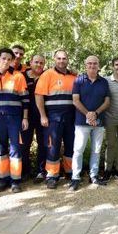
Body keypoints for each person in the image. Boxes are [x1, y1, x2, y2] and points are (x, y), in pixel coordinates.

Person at [0, 47, 29, 193]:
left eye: (9, 59)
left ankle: (15, 181)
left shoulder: (18, 76)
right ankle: (3, 179)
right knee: (0, 148)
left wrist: (25, 118)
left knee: (15, 148)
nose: (6, 61)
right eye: (3, 58)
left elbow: (25, 100)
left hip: (14, 118)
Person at [35, 50, 77, 189]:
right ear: (54, 59)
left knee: (71, 145)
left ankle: (70, 173)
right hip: (53, 117)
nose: (61, 61)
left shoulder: (73, 76)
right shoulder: (47, 74)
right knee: (53, 146)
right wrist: (43, 115)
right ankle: (52, 175)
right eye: (58, 58)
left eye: (64, 58)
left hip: (70, 117)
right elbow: (39, 95)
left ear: (68, 59)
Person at [71, 55, 110, 190]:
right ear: (85, 65)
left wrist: (96, 113)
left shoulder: (104, 82)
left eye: (95, 64)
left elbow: (107, 101)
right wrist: (88, 114)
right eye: (90, 63)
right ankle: (75, 177)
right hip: (82, 122)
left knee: (96, 150)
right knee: (78, 150)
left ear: (98, 65)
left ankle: (94, 176)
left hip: (99, 122)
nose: (92, 66)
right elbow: (75, 100)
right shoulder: (79, 81)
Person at [21, 54, 47, 181]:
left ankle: (41, 171)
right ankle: (25, 171)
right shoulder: (22, 76)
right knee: (25, 144)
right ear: (30, 62)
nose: (39, 65)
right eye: (36, 62)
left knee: (43, 144)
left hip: (43, 116)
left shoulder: (47, 75)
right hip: (26, 116)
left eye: (41, 63)